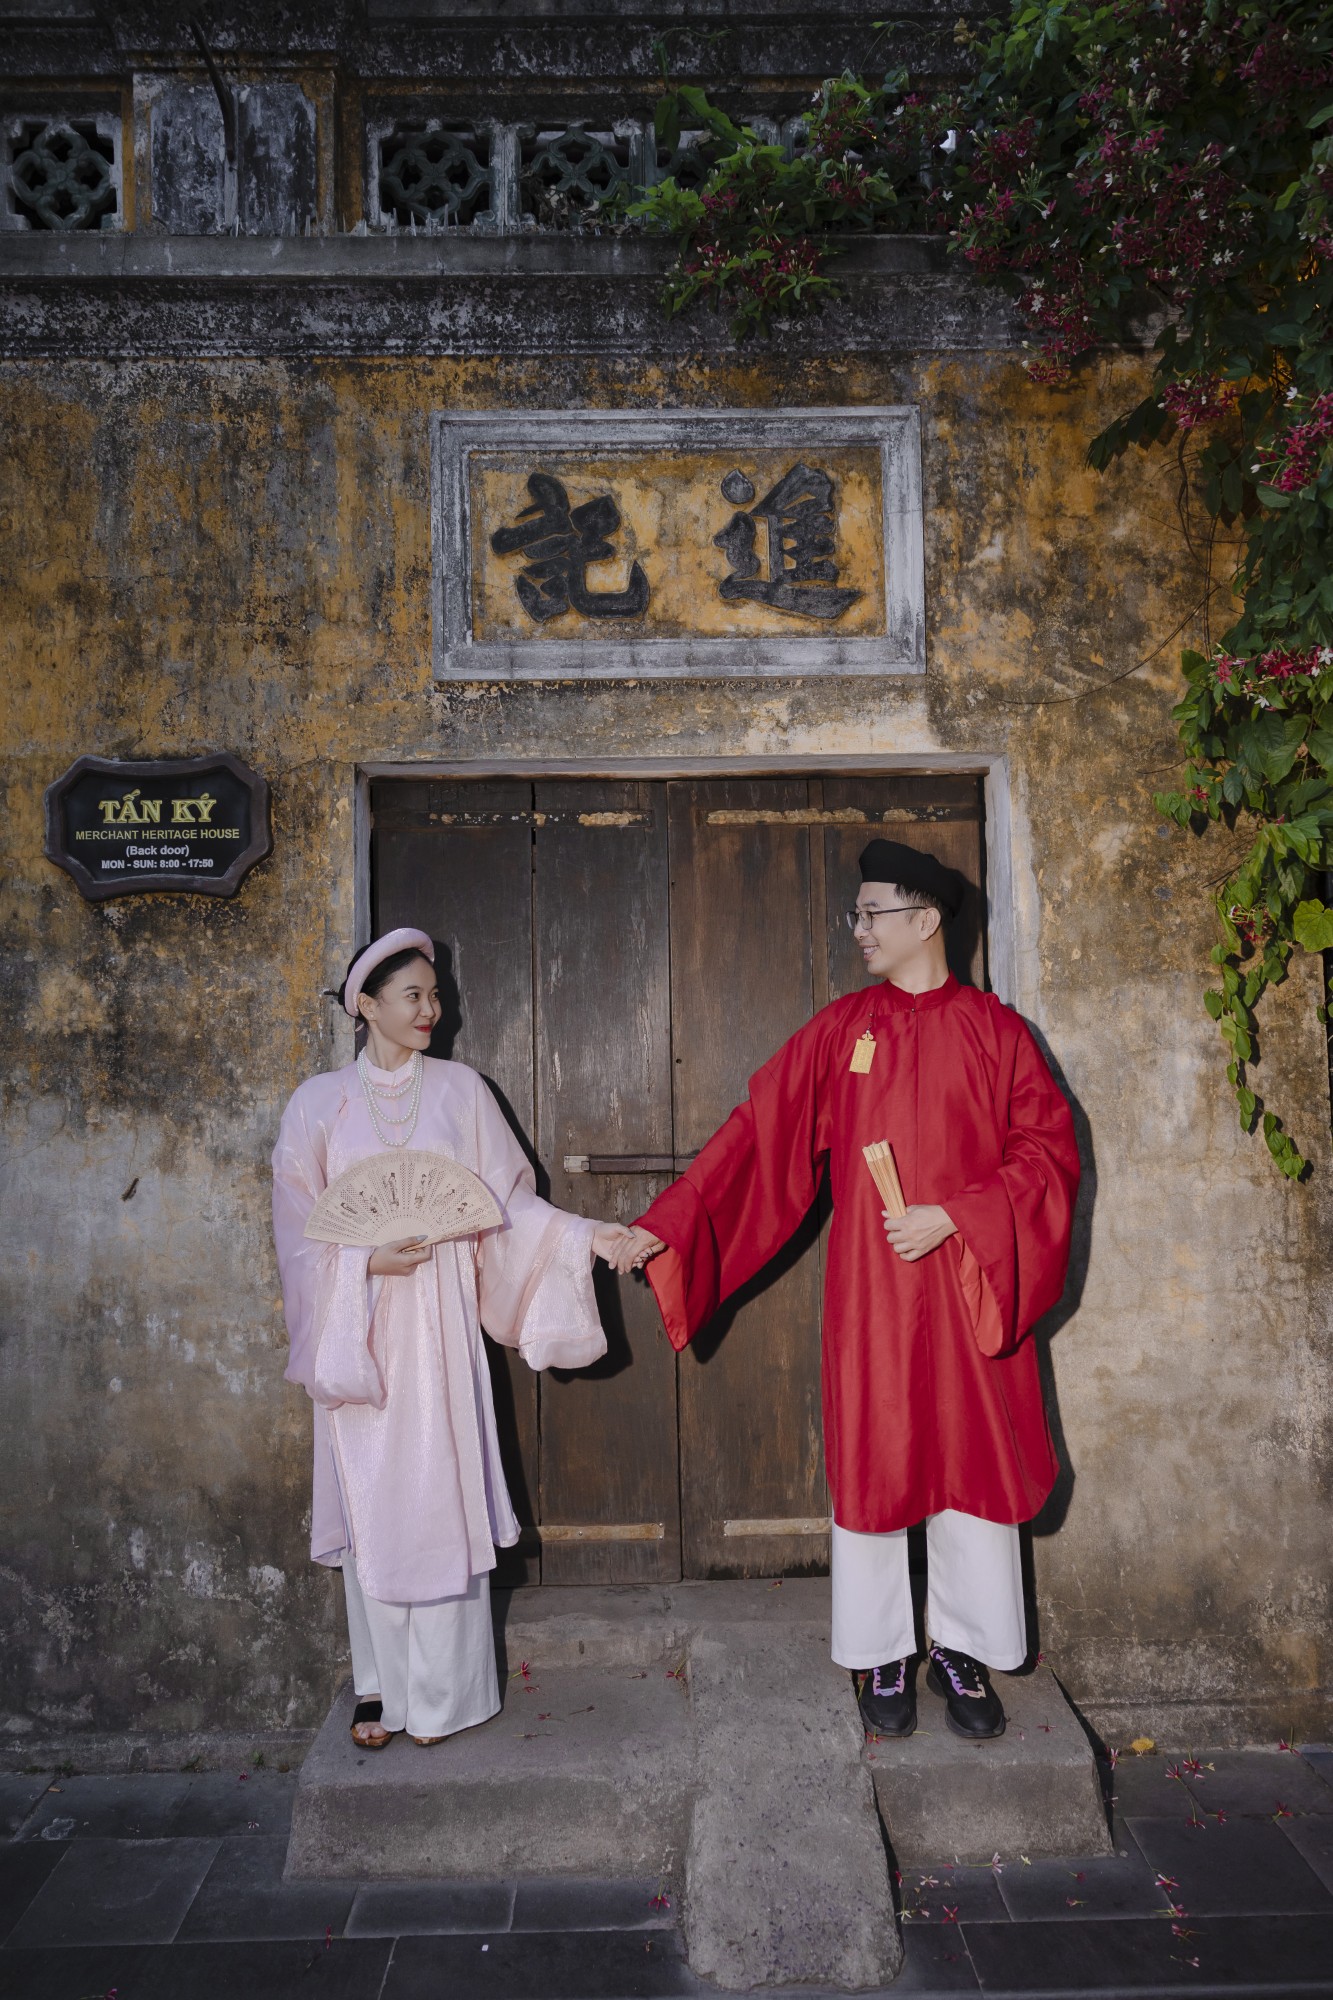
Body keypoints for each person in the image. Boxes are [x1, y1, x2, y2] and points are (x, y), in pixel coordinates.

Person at [613, 841, 1079, 1741]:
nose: (858, 928)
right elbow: (757, 1135)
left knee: (972, 1455)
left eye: (872, 913)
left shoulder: (997, 1033)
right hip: (874, 1291)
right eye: (856, 914)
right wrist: (670, 1222)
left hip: (970, 1282)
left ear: (925, 920)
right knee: (878, 1454)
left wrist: (957, 1216)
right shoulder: (842, 1031)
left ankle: (963, 1648)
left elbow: (1046, 1156)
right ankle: (881, 1651)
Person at [273, 928, 634, 1749]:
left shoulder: (463, 1091)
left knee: (439, 1490)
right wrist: (365, 1262)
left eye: (435, 996)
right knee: (371, 1495)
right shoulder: (315, 1105)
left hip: (438, 1323)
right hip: (358, 1327)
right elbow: (297, 1232)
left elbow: (507, 1208)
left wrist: (585, 1237)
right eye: (413, 996)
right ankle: (379, 1685)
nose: (430, 1009)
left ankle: (444, 1695)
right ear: (367, 1006)